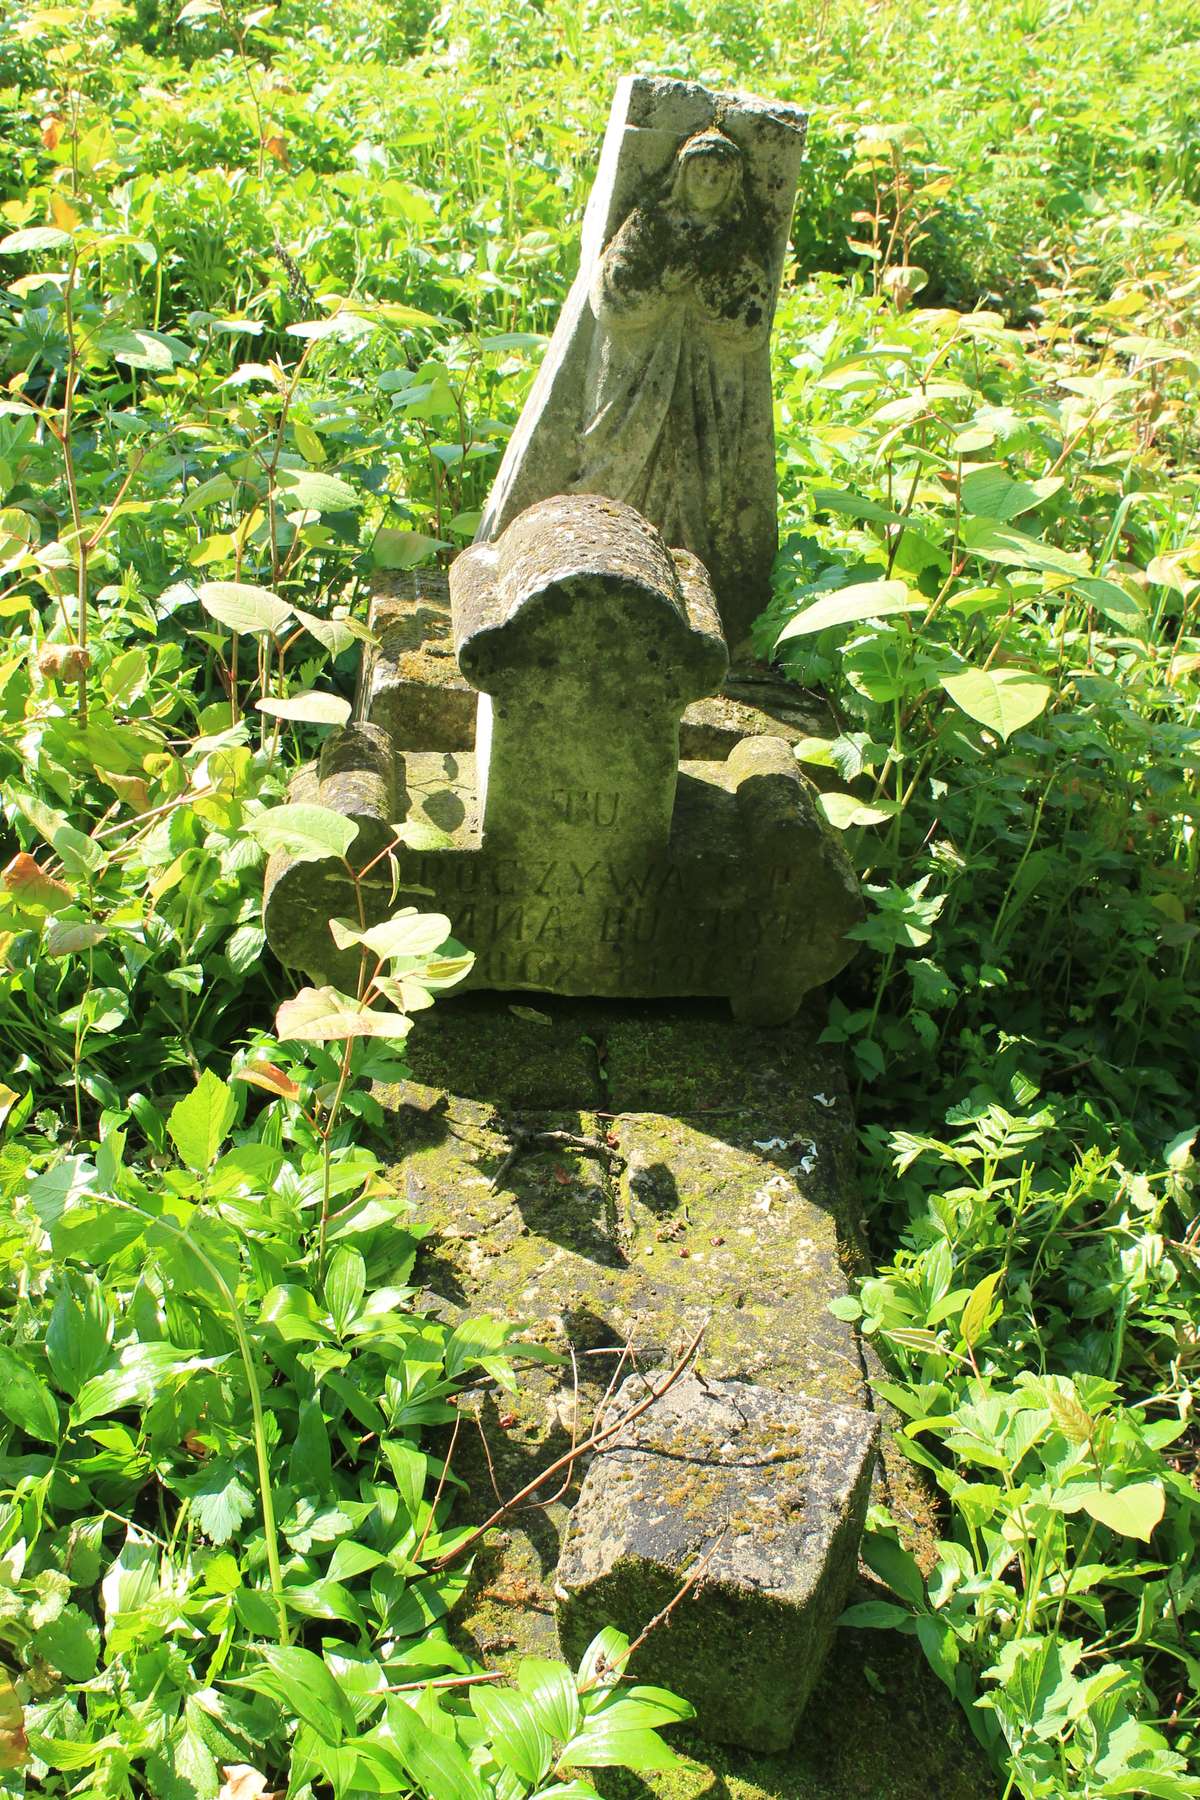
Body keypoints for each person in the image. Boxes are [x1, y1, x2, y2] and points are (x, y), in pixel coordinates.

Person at [577, 127, 775, 595]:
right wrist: (664, 286)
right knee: (620, 459)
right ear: (683, 174)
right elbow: (610, 292)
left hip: (706, 380)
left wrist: (706, 298)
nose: (707, 181)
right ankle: (604, 551)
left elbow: (751, 319)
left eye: (718, 175)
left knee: (701, 473)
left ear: (732, 184)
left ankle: (691, 575)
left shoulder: (736, 240)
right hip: (639, 371)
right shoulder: (651, 222)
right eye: (701, 171)